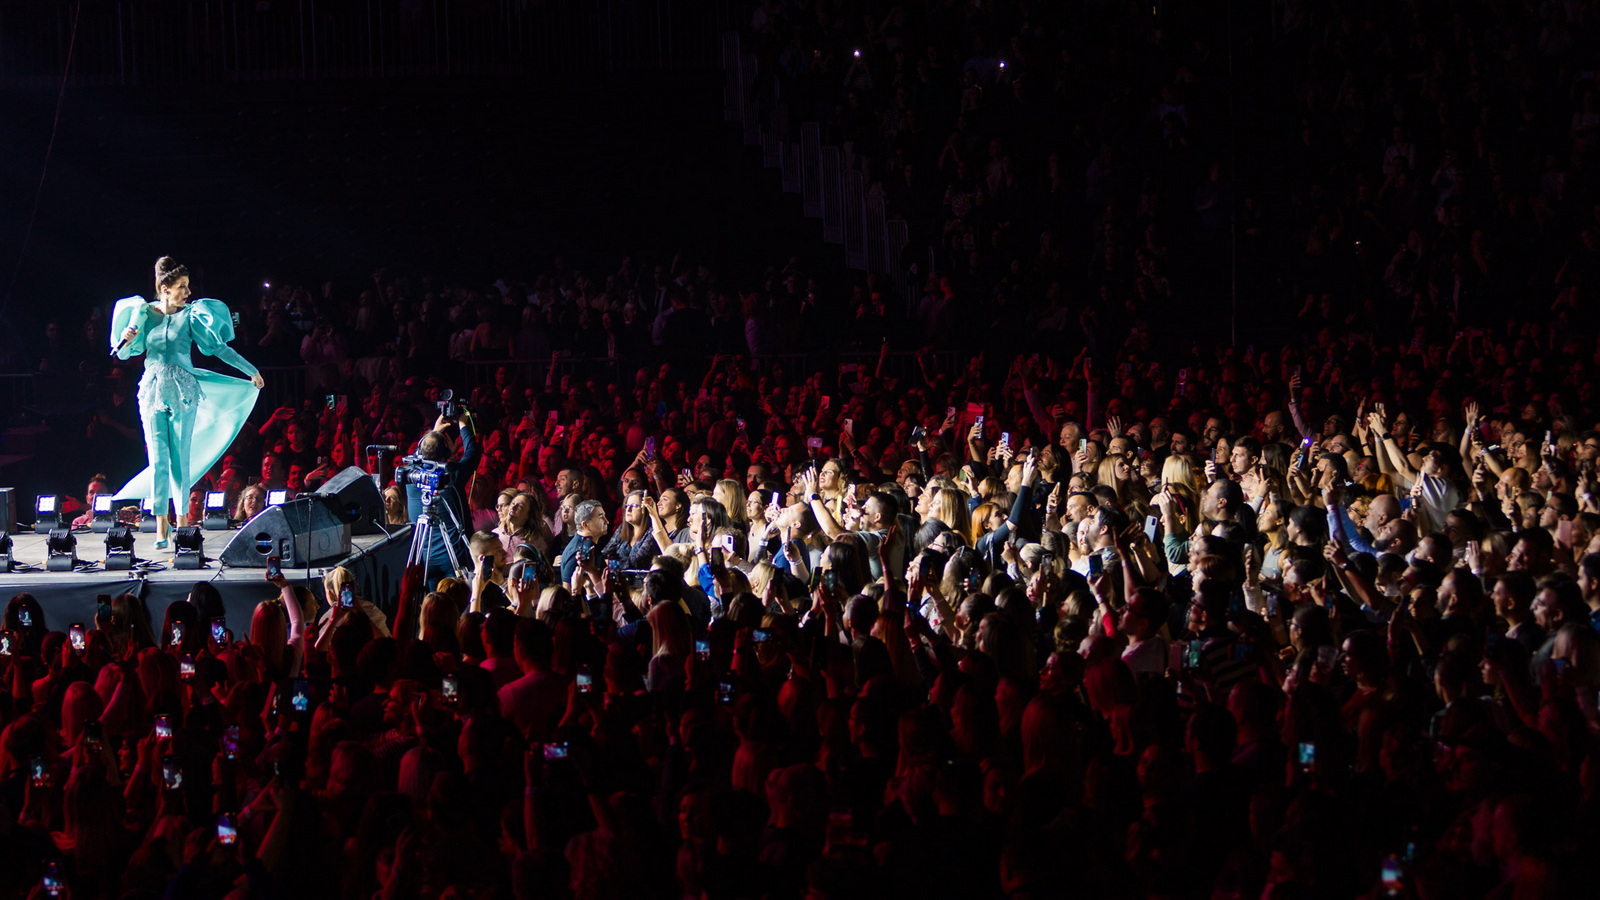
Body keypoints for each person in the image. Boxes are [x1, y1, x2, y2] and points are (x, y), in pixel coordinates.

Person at [110, 256, 264, 547]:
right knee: (158, 459)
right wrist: (127, 339)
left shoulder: (191, 315)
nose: (188, 292)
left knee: (180, 458)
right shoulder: (144, 313)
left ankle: (181, 521)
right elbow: (124, 353)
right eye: (182, 286)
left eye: (188, 286)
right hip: (153, 390)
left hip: (183, 391)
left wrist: (250, 370)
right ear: (165, 288)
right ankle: (161, 523)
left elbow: (217, 348)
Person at [403, 408, 480, 582]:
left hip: (425, 556)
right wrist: (463, 424)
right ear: (447, 453)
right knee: (456, 595)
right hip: (453, 557)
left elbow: (419, 455)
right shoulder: (451, 476)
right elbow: (472, 452)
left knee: (433, 598)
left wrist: (434, 431)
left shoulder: (411, 476)